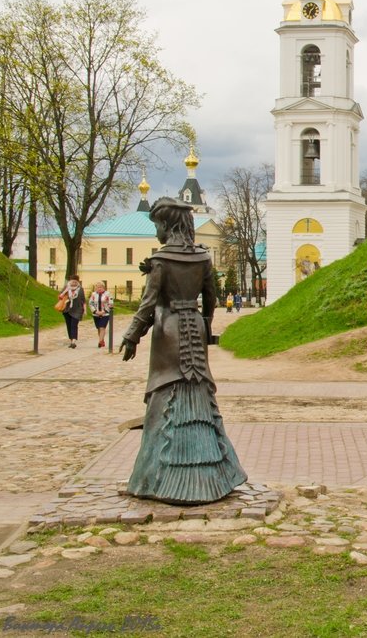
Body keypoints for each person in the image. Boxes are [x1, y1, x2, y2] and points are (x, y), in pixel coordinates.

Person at [119, 197, 247, 505]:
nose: (157, 233)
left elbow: (148, 305)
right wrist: (204, 325)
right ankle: (214, 476)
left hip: (169, 329)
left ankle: (156, 478)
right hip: (193, 327)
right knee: (198, 392)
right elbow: (211, 299)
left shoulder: (162, 260)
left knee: (165, 394)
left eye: (158, 226)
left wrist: (132, 335)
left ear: (167, 225)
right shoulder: (202, 258)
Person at [59, 277, 86, 349]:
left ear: (78, 282)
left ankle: (73, 341)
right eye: (72, 281)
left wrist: (84, 310)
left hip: (77, 310)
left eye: (75, 282)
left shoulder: (80, 289)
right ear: (70, 281)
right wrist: (64, 294)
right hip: (67, 309)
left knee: (74, 325)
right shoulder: (66, 287)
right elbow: (60, 296)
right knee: (69, 325)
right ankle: (71, 340)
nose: (74, 283)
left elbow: (83, 300)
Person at [89, 281, 113, 348]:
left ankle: (100, 342)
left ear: (104, 287)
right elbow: (91, 303)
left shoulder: (108, 294)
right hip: (96, 314)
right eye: (98, 287)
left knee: (102, 327)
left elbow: (110, 303)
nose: (99, 288)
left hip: (105, 314)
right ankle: (102, 340)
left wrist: (104, 311)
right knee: (99, 328)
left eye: (101, 287)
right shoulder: (93, 294)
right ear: (95, 288)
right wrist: (95, 311)